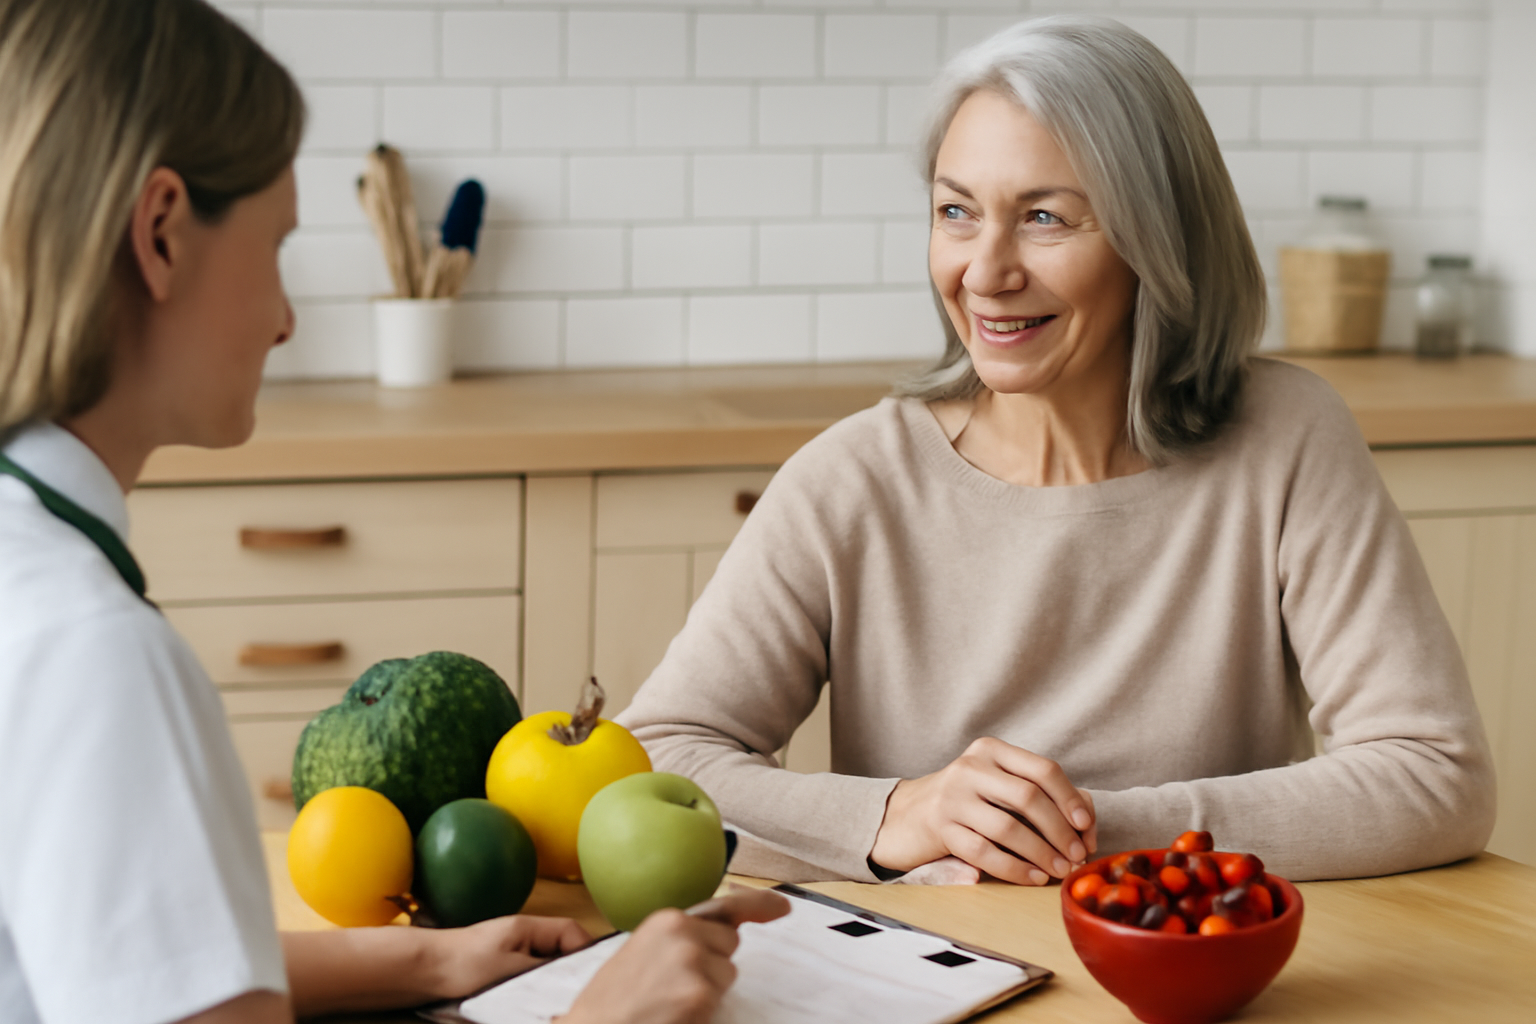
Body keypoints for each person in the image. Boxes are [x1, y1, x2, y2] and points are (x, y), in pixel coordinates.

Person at [0, 2, 785, 1023]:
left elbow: (106, 954)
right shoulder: (95, 654)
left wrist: (423, 962)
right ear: (160, 234)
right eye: (275, 246)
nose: (285, 320)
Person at [618, 15, 1496, 887]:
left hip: (1193, 978)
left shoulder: (1287, 437)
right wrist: (895, 814)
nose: (985, 271)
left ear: (1157, 240)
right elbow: (653, 764)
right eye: (956, 212)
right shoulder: (854, 479)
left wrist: (1087, 831)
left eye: (1044, 218)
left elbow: (1433, 774)